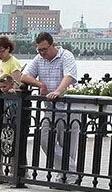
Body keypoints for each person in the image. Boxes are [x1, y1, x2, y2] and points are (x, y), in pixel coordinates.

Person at [19, 32, 80, 183]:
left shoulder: (66, 56)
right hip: (50, 108)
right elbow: (24, 76)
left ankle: (64, 177)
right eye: (39, 49)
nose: (41, 53)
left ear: (53, 45)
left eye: (44, 49)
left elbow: (69, 76)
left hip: (69, 107)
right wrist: (40, 84)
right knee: (45, 140)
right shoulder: (39, 58)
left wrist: (58, 91)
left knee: (68, 144)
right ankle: (71, 172)